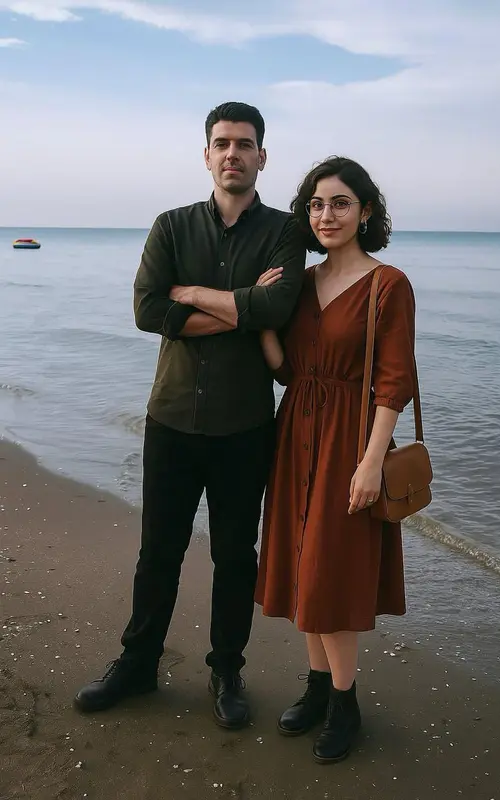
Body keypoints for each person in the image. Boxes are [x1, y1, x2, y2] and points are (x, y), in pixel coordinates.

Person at [74, 101, 306, 729]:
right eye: (222, 143)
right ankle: (137, 663)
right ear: (206, 154)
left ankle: (227, 669)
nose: (233, 153)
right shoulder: (171, 226)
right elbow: (149, 311)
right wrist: (242, 305)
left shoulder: (287, 231)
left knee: (236, 556)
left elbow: (279, 307)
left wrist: (198, 296)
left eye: (245, 144)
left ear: (263, 156)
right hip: (172, 419)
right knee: (159, 552)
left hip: (245, 426)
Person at [255, 156, 416, 763]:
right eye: (317, 204)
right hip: (295, 429)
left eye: (341, 203)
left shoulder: (387, 284)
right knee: (303, 566)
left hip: (352, 437)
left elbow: (393, 382)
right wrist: (259, 318)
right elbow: (289, 371)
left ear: (366, 212)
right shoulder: (302, 281)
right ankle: (319, 688)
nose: (327, 215)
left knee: (332, 570)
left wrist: (372, 462)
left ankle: (346, 704)